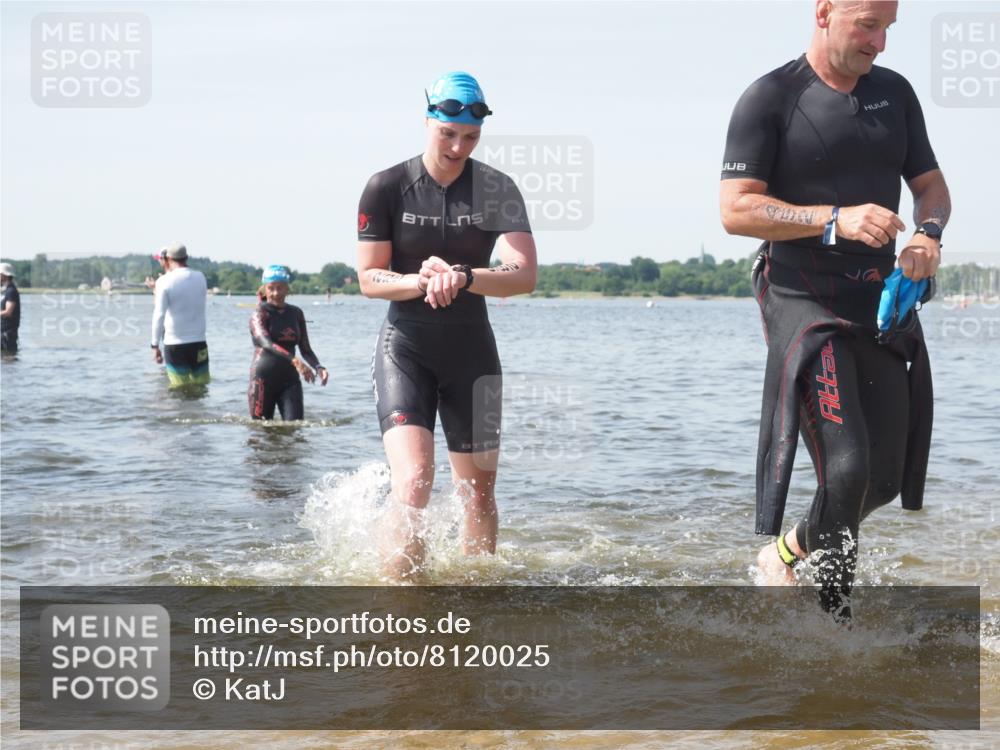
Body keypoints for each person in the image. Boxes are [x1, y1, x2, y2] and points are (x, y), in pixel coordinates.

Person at [719, 0, 950, 612]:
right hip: (802, 297)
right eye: (868, 25)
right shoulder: (770, 98)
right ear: (824, 11)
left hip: (877, 301)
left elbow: (930, 187)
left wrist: (927, 234)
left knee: (884, 479)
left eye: (888, 28)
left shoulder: (894, 94)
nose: (879, 44)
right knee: (845, 472)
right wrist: (833, 221)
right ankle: (835, 627)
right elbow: (735, 209)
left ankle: (786, 554)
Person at [357, 71, 536, 579]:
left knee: (478, 492)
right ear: (429, 119)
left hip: (471, 353)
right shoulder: (386, 186)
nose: (458, 146)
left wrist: (462, 275)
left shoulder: (498, 188)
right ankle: (400, 607)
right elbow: (369, 278)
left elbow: (524, 274)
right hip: (406, 349)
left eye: (471, 137)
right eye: (448, 133)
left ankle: (477, 607)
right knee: (413, 481)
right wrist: (420, 280)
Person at [248, 265, 328, 421]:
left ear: (287, 289)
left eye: (280, 288)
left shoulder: (296, 313)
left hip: (289, 381)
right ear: (264, 289)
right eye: (271, 288)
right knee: (261, 433)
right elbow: (266, 343)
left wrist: (318, 367)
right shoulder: (259, 313)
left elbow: (305, 348)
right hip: (263, 380)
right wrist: (294, 360)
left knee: (295, 428)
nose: (276, 293)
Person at [150, 243, 211, 387]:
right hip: (199, 343)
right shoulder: (200, 277)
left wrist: (154, 345)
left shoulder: (163, 281)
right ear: (187, 257)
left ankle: (182, 411)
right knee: (201, 386)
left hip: (175, 344)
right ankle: (199, 410)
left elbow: (159, 315)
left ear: (168, 258)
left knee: (179, 389)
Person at [0, 262, 21, 355]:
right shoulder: (8, 290)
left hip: (7, 335)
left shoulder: (11, 291)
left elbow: (8, 312)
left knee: (8, 361)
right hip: (5, 334)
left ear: (3, 276)